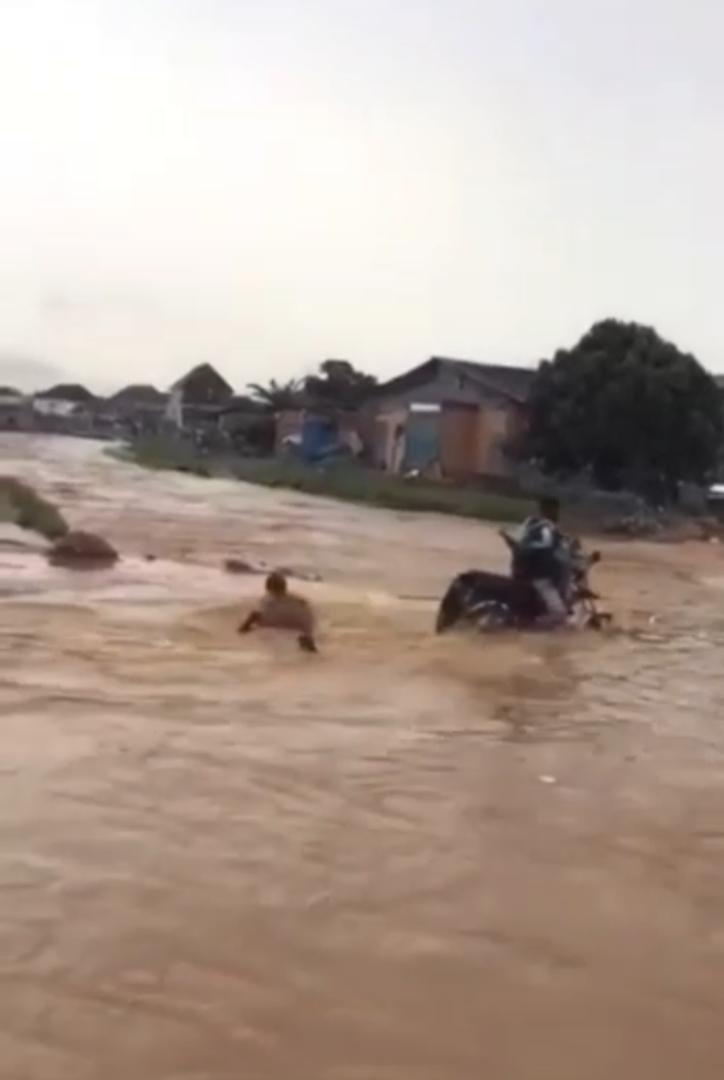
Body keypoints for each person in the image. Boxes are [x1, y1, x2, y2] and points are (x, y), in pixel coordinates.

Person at [514, 496, 570, 625]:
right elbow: (547, 542)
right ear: (550, 510)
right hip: (540, 576)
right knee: (559, 613)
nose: (557, 513)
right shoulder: (546, 526)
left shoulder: (531, 524)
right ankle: (534, 625)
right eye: (555, 510)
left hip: (525, 571)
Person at [238, 571, 318, 652]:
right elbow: (307, 607)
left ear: (268, 587)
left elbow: (255, 614)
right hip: (303, 624)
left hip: (280, 622)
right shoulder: (297, 598)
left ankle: (241, 632)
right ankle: (306, 638)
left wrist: (243, 628)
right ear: (284, 586)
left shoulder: (268, 599)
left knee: (255, 619)